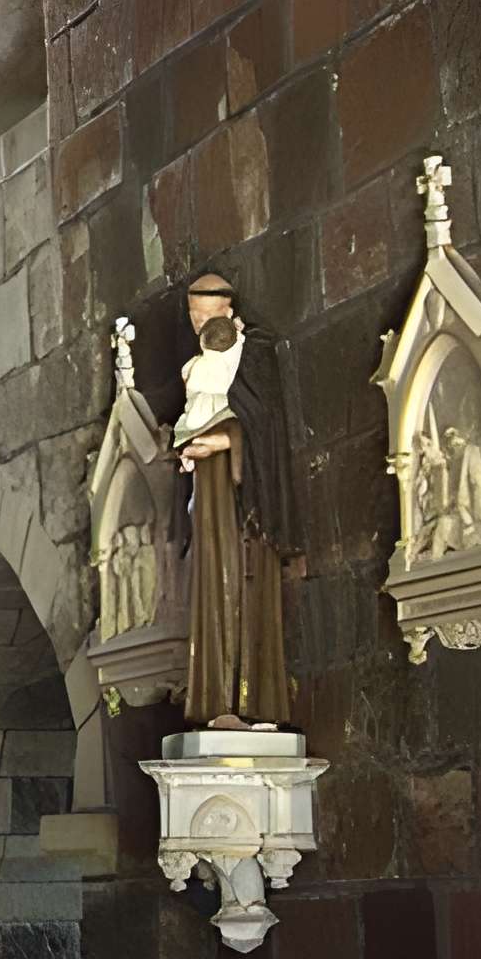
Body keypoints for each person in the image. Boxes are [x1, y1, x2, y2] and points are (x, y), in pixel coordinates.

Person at [173, 274, 293, 729]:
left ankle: (252, 700)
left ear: (228, 310)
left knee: (242, 575)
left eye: (207, 316)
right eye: (193, 317)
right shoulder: (199, 364)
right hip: (209, 485)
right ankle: (215, 700)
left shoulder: (253, 353)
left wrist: (223, 443)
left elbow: (263, 420)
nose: (199, 325)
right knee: (211, 576)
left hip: (244, 488)